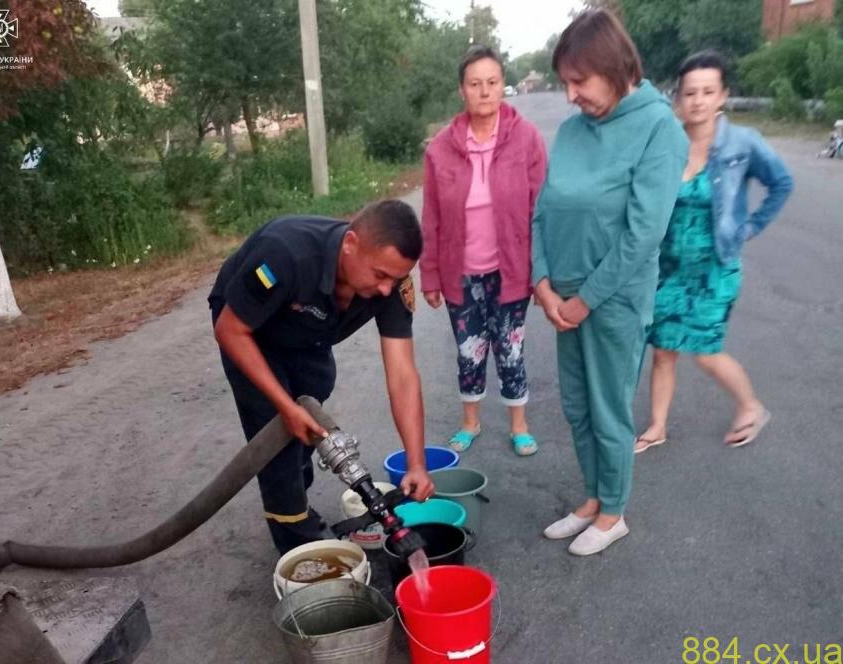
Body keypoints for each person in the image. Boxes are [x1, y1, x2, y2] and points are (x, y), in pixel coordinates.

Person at [531, 9, 689, 555]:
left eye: (579, 81)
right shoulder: (573, 131)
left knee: (608, 409)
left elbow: (644, 233)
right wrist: (542, 282)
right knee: (576, 406)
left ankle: (615, 510)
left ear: (615, 67)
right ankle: (594, 498)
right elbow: (542, 210)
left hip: (613, 300)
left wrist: (585, 301)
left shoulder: (658, 129)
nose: (570, 95)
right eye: (564, 83)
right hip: (562, 299)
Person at [208, 200, 435, 555]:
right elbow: (231, 329)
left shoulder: (390, 281)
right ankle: (301, 549)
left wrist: (416, 463)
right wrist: (284, 407)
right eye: (379, 275)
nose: (388, 289)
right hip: (251, 328)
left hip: (309, 332)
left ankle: (295, 491)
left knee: (312, 406)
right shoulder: (287, 252)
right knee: (276, 441)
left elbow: (403, 375)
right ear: (350, 245)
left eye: (397, 277)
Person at [635, 51, 793, 454]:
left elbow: (781, 183)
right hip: (668, 266)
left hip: (716, 268)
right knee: (664, 350)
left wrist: (751, 227)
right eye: (690, 92)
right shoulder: (667, 141)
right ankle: (656, 427)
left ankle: (751, 406)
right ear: (679, 98)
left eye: (708, 91)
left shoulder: (742, 143)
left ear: (722, 95)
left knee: (705, 351)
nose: (698, 100)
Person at [420, 45, 547, 457]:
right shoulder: (440, 148)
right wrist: (431, 275)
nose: (485, 91)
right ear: (462, 90)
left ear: (502, 85)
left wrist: (543, 271)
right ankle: (470, 422)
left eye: (492, 82)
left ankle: (519, 425)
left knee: (510, 347)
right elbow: (432, 217)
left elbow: (541, 209)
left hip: (510, 270)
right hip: (462, 272)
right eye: (475, 84)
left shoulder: (525, 138)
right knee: (469, 350)